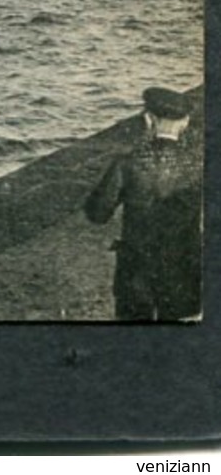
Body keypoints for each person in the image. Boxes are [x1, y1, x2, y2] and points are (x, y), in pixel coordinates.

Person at [83, 86, 201, 321]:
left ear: (148, 119)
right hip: (184, 268)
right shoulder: (200, 165)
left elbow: (97, 214)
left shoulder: (128, 163)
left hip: (136, 270)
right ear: (185, 122)